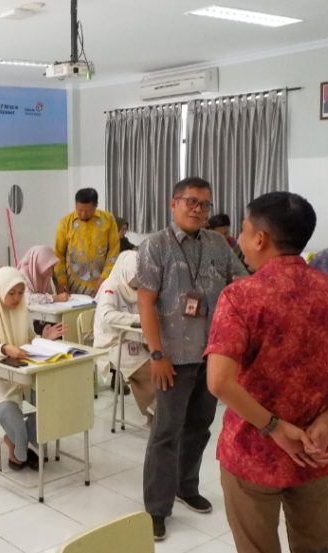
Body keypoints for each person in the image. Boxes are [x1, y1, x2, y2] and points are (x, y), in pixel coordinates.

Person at [205, 191, 328, 553]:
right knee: (313, 544)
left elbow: (219, 381)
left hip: (253, 449)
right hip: (316, 449)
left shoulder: (240, 297)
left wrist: (274, 428)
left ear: (260, 238)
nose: (240, 240)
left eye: (243, 230)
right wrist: (326, 422)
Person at [134, 176, 248, 541]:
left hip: (212, 356)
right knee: (166, 433)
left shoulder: (217, 243)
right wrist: (156, 354)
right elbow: (145, 302)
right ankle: (156, 508)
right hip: (172, 357)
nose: (198, 210)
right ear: (173, 203)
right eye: (191, 202)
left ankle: (186, 486)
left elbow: (241, 284)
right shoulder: (155, 246)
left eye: (204, 204)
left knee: (200, 425)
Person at [0, 267, 64, 471]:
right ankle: (17, 444)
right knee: (17, 427)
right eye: (11, 293)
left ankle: (16, 441)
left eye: (20, 293)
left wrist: (43, 339)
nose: (16, 298)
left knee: (52, 406)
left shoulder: (22, 308)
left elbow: (29, 341)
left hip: (21, 372)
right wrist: (4, 348)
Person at [93, 250, 155, 424]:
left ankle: (157, 413)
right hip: (112, 343)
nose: (137, 283)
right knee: (151, 371)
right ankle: (155, 413)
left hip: (133, 338)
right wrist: (138, 319)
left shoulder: (139, 289)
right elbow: (107, 316)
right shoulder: (111, 287)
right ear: (126, 271)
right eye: (134, 279)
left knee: (164, 363)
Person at [53, 187, 120, 297]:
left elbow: (114, 251)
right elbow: (58, 254)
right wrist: (61, 281)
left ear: (96, 205)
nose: (83, 214)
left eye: (87, 211)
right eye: (79, 210)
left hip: (102, 283)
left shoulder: (108, 220)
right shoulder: (65, 223)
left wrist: (105, 277)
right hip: (72, 284)